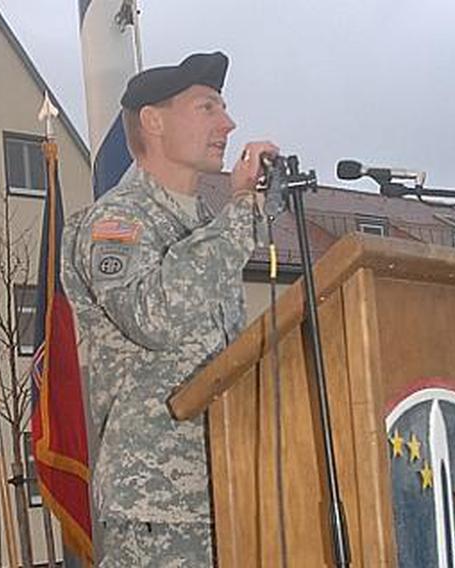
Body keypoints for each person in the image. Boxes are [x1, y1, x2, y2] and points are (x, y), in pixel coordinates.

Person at [62, 51, 278, 567]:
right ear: (153, 122)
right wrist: (242, 210)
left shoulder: (207, 225)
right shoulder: (115, 222)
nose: (228, 123)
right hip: (156, 506)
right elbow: (154, 317)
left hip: (228, 486)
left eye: (223, 109)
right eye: (207, 107)